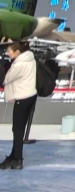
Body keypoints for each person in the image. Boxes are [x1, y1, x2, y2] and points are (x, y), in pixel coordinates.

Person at [2, 41, 37, 170]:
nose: (8, 53)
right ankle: (14, 156)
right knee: (19, 128)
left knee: (17, 129)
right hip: (31, 95)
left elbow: (6, 79)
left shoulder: (19, 64)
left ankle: (17, 159)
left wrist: (4, 65)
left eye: (9, 51)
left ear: (17, 52)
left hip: (22, 98)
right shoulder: (30, 59)